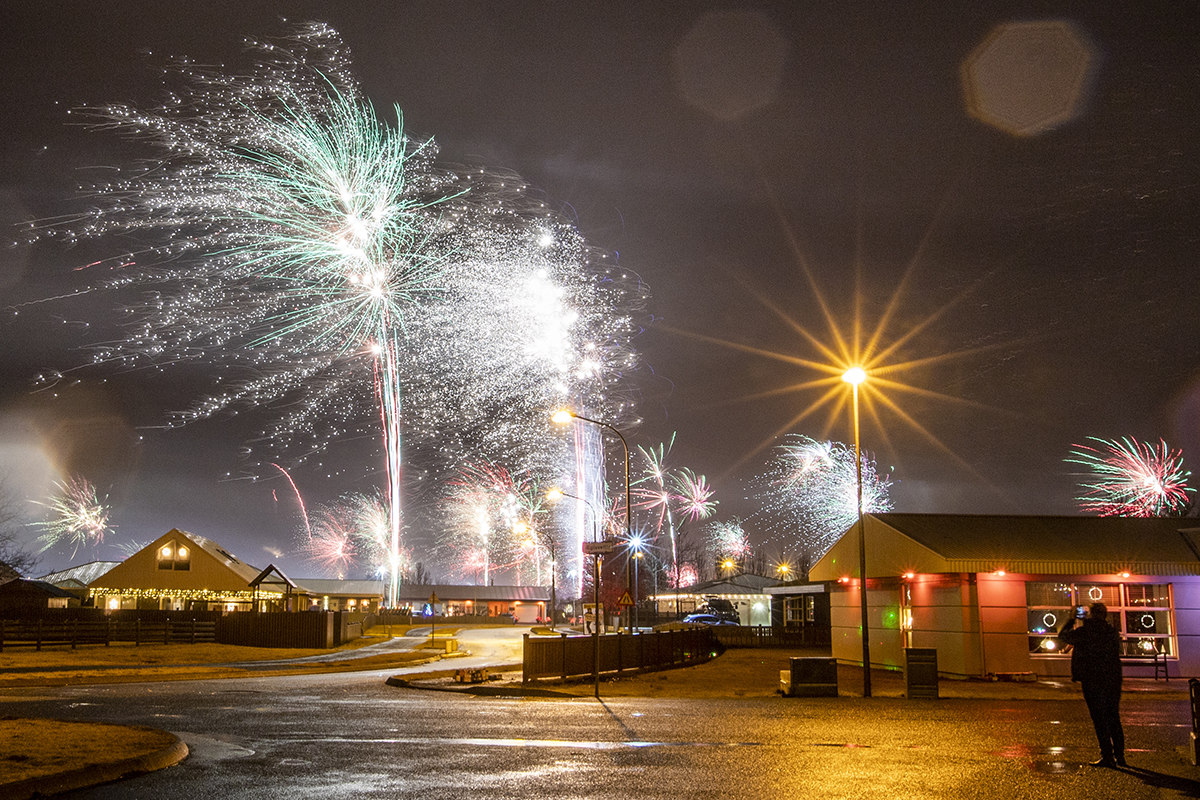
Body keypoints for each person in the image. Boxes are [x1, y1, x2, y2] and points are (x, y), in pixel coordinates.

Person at [1059, 602, 1126, 767]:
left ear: (1091, 614)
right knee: (1113, 717)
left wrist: (1072, 618)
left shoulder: (1085, 632)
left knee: (1099, 718)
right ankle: (1120, 756)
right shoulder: (1111, 632)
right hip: (1112, 678)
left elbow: (1063, 635)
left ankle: (1107, 756)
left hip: (1092, 679)